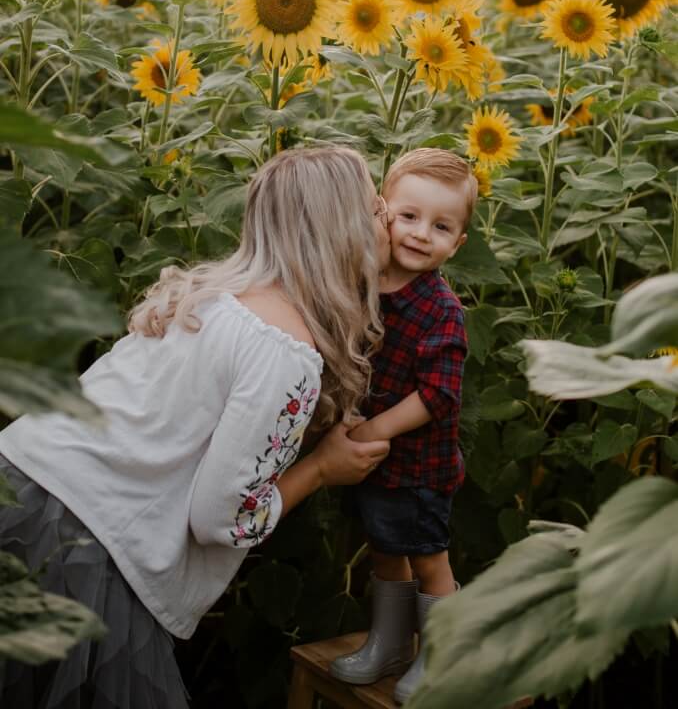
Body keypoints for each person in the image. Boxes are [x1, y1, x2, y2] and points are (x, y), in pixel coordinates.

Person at [0, 145, 392, 709]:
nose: (385, 222)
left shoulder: (207, 297)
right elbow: (221, 518)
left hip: (23, 486)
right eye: (376, 209)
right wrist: (322, 469)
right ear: (343, 230)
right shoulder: (287, 353)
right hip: (83, 550)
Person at [329, 148, 478, 705]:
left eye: (441, 227)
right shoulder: (366, 281)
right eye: (409, 216)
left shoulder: (441, 308)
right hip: (372, 460)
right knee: (383, 549)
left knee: (428, 558)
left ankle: (439, 659)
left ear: (458, 243)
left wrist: (374, 431)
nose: (420, 234)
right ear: (382, 211)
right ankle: (390, 645)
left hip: (417, 465)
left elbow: (438, 394)